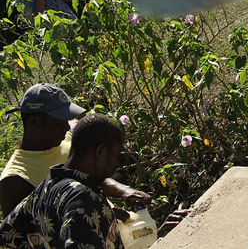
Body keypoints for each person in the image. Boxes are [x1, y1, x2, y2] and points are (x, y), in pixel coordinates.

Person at [0, 84, 149, 218]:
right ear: (34, 122)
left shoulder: (64, 140)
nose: (66, 127)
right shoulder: (15, 180)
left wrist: (123, 190)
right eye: (58, 122)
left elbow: (88, 174)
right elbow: (26, 235)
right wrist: (100, 217)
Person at [0, 114, 126, 248]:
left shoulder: (48, 185)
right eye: (116, 155)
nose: (116, 163)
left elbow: (8, 236)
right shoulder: (83, 197)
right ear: (100, 151)